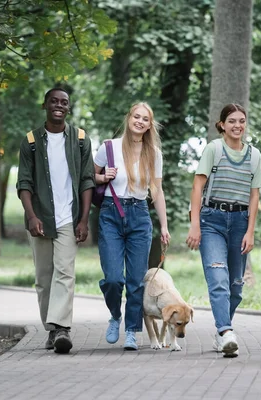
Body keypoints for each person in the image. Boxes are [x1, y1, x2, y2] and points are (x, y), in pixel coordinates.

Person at [16, 87, 95, 354]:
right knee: (43, 277)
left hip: (69, 218)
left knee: (65, 272)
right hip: (40, 216)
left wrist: (84, 219)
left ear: (68, 108)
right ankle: (51, 330)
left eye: (64, 102)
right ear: (45, 105)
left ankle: (62, 328)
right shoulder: (31, 141)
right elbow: (24, 182)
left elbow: (87, 180)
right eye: (54, 101)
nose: (59, 105)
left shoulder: (81, 139)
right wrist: (31, 215)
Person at [186, 103, 261, 358]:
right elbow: (197, 187)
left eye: (241, 121)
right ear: (222, 124)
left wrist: (250, 231)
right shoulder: (213, 149)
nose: (237, 125)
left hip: (240, 222)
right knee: (218, 279)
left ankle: (222, 330)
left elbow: (254, 196)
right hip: (212, 221)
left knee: (235, 287)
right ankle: (226, 332)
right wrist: (195, 225)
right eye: (231, 121)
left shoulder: (254, 155)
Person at [94, 102, 171, 351]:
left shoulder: (154, 153)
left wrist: (165, 225)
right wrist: (103, 176)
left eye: (145, 119)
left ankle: (132, 330)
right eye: (136, 116)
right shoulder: (109, 147)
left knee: (136, 281)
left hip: (139, 215)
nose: (140, 121)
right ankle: (115, 315)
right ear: (129, 118)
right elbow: (89, 176)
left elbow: (157, 192)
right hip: (110, 214)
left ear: (150, 125)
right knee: (114, 279)